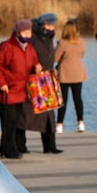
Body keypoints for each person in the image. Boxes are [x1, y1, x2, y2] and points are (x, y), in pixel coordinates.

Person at [0, 19, 42, 159]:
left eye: (29, 32)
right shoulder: (7, 47)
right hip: (6, 91)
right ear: (17, 32)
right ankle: (10, 150)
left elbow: (34, 62)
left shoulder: (29, 48)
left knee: (14, 122)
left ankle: (6, 149)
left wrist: (37, 68)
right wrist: (1, 83)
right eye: (25, 32)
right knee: (8, 122)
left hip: (21, 91)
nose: (28, 34)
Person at [22, 12, 62, 153]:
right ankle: (21, 145)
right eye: (49, 25)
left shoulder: (49, 38)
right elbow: (27, 54)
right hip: (34, 78)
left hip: (48, 78)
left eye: (53, 25)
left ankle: (50, 146)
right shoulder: (33, 37)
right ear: (42, 24)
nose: (51, 28)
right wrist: (35, 65)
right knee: (27, 113)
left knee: (49, 114)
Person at [54, 18, 88, 133]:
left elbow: (56, 58)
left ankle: (59, 124)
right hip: (78, 72)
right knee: (78, 98)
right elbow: (82, 54)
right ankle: (81, 123)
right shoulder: (81, 41)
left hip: (65, 73)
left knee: (63, 99)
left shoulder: (62, 42)